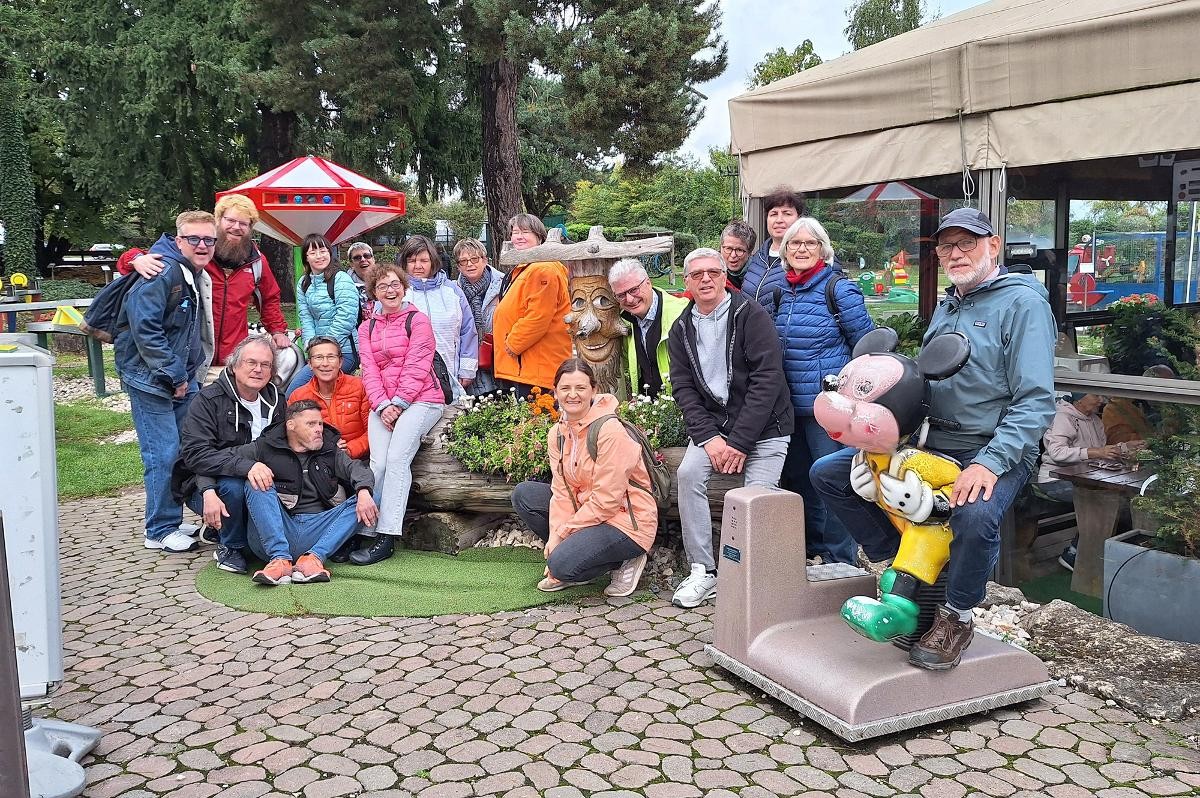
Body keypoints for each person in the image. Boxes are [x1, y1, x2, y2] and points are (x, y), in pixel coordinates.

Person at [811, 207, 1056, 670]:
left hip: (993, 448)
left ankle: (956, 617)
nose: (955, 253)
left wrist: (989, 463)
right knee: (830, 475)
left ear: (994, 245)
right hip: (928, 443)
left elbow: (1036, 401)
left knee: (974, 515)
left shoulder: (1023, 304)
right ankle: (901, 572)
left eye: (967, 243)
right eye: (947, 246)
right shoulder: (949, 304)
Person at [667, 248, 794, 608]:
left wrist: (738, 443)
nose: (705, 279)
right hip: (716, 430)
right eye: (697, 274)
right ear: (688, 282)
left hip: (766, 428)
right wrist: (709, 439)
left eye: (713, 272)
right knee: (689, 474)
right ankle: (703, 570)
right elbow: (684, 389)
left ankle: (752, 576)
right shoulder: (681, 329)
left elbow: (767, 381)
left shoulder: (749, 315)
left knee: (755, 499)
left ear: (725, 277)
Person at [773, 217, 875, 564]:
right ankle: (811, 550)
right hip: (788, 406)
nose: (801, 249)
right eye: (795, 243)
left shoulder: (838, 289)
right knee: (800, 480)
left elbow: (867, 346)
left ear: (823, 249)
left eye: (810, 243)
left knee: (832, 480)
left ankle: (839, 560)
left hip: (826, 408)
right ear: (785, 250)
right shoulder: (779, 290)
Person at [509, 359, 657, 597]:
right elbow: (562, 491)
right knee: (524, 495)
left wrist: (562, 534)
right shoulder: (557, 433)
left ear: (594, 390)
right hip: (588, 512)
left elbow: (607, 501)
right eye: (565, 388)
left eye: (580, 388)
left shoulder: (610, 431)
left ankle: (626, 558)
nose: (573, 395)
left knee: (560, 565)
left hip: (625, 521)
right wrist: (559, 532)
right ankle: (576, 557)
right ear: (555, 391)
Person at [117, 211, 216, 554]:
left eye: (209, 240)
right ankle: (158, 529)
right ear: (178, 240)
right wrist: (174, 375)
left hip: (179, 378)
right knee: (162, 454)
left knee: (185, 449)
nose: (202, 245)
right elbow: (146, 331)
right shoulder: (161, 270)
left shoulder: (188, 270)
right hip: (152, 381)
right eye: (194, 239)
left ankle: (169, 518)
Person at [123, 194, 292, 367]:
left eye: (244, 223)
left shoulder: (256, 262)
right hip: (194, 354)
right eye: (230, 220)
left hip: (233, 358)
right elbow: (152, 254)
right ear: (218, 220)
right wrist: (135, 259)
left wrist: (277, 330)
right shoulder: (197, 251)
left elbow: (269, 297)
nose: (236, 227)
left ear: (251, 228)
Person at [352, 264, 446, 564]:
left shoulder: (417, 321)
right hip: (383, 405)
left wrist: (399, 403)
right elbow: (369, 370)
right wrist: (382, 405)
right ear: (374, 293)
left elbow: (418, 365)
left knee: (396, 460)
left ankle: (388, 535)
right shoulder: (366, 327)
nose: (390, 290)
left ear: (404, 287)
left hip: (422, 400)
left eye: (394, 284)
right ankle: (364, 531)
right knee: (376, 464)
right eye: (382, 286)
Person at [172, 334, 285, 574]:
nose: (258, 370)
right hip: (202, 484)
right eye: (251, 363)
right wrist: (210, 490)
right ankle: (230, 546)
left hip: (259, 480)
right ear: (234, 365)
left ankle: (221, 527)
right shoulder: (208, 400)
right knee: (232, 486)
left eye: (265, 365)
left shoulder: (278, 400)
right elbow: (195, 454)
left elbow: (280, 447)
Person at [233, 400, 378, 586]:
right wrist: (211, 489)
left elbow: (356, 468)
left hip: (319, 530)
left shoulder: (329, 449)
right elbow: (220, 458)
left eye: (320, 423)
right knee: (256, 481)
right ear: (291, 425)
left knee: (371, 495)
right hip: (278, 529)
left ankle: (313, 559)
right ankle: (279, 560)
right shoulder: (264, 447)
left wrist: (364, 491)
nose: (318, 429)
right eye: (311, 424)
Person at [1038, 392, 1124, 571]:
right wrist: (1096, 452)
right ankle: (1074, 553)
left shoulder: (1096, 421)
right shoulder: (1062, 417)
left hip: (1085, 479)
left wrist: (1124, 448)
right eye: (1096, 395)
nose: (1101, 400)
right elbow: (1057, 453)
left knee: (1116, 500)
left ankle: (1095, 552)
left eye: (1102, 395)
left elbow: (1101, 451)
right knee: (1098, 502)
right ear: (1079, 398)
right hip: (1054, 479)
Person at [492, 213, 573, 397]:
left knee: (537, 420)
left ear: (539, 237)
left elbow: (537, 318)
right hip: (525, 366)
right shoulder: (526, 267)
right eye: (515, 232)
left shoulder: (543, 269)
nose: (518, 237)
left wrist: (511, 346)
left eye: (525, 232)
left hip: (536, 368)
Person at [398, 235, 478, 402]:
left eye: (423, 260)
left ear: (433, 261)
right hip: (408, 379)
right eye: (412, 260)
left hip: (451, 372)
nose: (418, 266)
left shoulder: (452, 291)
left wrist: (467, 369)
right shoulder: (395, 292)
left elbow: (468, 331)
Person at [288, 234, 361, 396]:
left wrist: (323, 349)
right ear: (306, 257)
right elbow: (306, 317)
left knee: (296, 392)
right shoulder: (304, 283)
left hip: (344, 352)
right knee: (297, 393)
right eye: (313, 252)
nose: (319, 256)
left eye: (323, 250)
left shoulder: (341, 279)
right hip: (318, 353)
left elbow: (346, 318)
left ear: (330, 252)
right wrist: (311, 347)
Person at [608, 258, 688, 398]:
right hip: (648, 407)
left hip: (684, 404)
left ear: (648, 283)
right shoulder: (624, 322)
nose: (630, 299)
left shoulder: (682, 315)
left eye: (634, 290)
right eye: (621, 295)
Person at [287, 336, 371, 460]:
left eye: (331, 357)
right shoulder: (298, 396)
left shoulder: (360, 387)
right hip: (317, 461)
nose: (325, 364)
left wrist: (351, 449)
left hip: (359, 461)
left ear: (340, 362)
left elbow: (373, 431)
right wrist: (324, 447)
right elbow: (293, 435)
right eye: (318, 358)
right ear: (310, 364)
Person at [455, 237, 504, 396]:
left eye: (474, 259)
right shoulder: (454, 291)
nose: (470, 264)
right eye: (463, 261)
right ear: (458, 266)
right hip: (469, 359)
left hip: (500, 356)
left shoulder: (504, 284)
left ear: (485, 260)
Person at [741, 187, 806, 306]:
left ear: (799, 219)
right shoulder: (757, 258)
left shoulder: (808, 258)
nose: (779, 220)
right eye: (773, 214)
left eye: (787, 213)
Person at [719, 220, 757, 290]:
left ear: (750, 252)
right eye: (728, 248)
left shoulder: (760, 275)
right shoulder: (711, 275)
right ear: (721, 247)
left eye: (739, 250)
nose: (733, 255)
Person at [345, 242, 378, 318]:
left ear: (373, 259)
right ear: (351, 264)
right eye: (357, 258)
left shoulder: (385, 280)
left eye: (367, 256)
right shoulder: (344, 286)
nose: (363, 259)